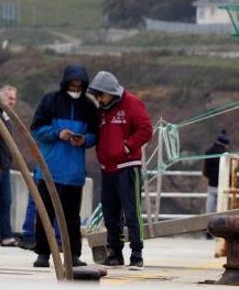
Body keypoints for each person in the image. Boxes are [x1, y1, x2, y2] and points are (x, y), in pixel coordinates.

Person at [29, 65, 98, 269]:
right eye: (72, 84)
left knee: (71, 218)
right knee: (45, 214)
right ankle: (42, 253)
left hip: (73, 173)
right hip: (49, 170)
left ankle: (73, 255)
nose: (75, 89)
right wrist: (57, 133)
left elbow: (95, 136)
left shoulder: (89, 107)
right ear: (65, 83)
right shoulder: (49, 101)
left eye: (79, 86)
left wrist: (84, 140)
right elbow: (36, 129)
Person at [88, 71, 153, 271]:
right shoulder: (101, 110)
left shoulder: (132, 104)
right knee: (110, 214)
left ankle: (137, 253)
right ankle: (115, 253)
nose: (99, 99)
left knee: (132, 212)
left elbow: (146, 129)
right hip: (107, 169)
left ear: (111, 93)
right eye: (96, 95)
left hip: (127, 168)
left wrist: (127, 146)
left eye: (101, 95)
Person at [0, 85, 18, 247]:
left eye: (14, 99)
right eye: (10, 98)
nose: (13, 102)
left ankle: (6, 236)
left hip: (5, 166)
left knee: (7, 201)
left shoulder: (6, 115)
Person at [203, 130, 229, 216]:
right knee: (221, 209)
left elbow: (206, 171)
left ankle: (208, 223)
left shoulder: (209, 152)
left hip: (211, 184)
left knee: (210, 206)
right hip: (223, 185)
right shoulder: (226, 154)